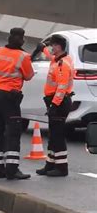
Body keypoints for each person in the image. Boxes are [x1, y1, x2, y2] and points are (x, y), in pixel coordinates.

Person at [0, 28, 35, 180]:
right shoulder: (23, 56)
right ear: (22, 39)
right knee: (13, 133)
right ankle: (12, 169)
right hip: (10, 97)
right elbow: (28, 76)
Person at [36, 35, 74, 177]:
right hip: (56, 101)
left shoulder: (62, 65)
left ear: (58, 47)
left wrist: (54, 105)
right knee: (53, 136)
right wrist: (43, 48)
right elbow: (49, 55)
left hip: (59, 102)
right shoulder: (59, 59)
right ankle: (50, 164)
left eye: (53, 46)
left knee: (57, 136)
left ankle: (62, 167)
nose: (51, 48)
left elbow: (62, 87)